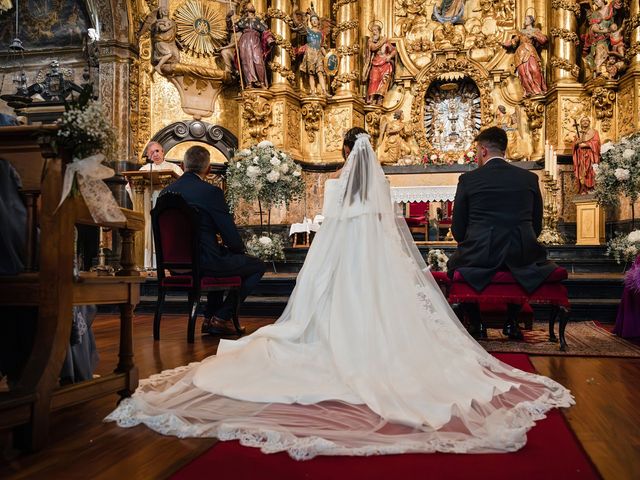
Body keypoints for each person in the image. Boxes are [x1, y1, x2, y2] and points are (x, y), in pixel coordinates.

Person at [106, 130, 573, 459]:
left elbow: (335, 235)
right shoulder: (520, 179)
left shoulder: (341, 188)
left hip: (428, 255)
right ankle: (503, 319)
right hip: (522, 257)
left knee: (316, 313)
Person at [447, 127, 556, 339]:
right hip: (521, 253)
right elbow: (536, 225)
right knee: (523, 264)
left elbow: (458, 229)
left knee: (455, 266)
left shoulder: (468, 180)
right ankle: (512, 322)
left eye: (477, 151)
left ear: (483, 150)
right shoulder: (529, 178)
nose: (477, 156)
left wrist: (471, 242)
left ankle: (477, 324)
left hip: (480, 255)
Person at [159, 145, 265, 335]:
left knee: (220, 256)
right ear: (208, 169)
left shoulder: (164, 194)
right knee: (256, 266)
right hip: (206, 262)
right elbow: (231, 238)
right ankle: (221, 317)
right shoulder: (211, 193)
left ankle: (209, 318)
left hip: (174, 267)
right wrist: (238, 249)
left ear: (183, 166)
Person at [130, 141, 183, 269]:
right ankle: (147, 263)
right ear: (148, 156)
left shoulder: (174, 168)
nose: (155, 154)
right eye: (152, 152)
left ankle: (167, 263)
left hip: (167, 206)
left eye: (157, 151)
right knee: (148, 229)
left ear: (163, 152)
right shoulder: (144, 170)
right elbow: (131, 185)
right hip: (148, 203)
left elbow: (182, 186)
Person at [503, 15, 547, 97]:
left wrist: (534, 35)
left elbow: (543, 40)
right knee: (523, 73)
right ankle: (528, 91)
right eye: (525, 19)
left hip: (530, 50)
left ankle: (538, 90)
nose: (525, 20)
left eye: (526, 19)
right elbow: (514, 41)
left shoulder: (535, 31)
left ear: (531, 21)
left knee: (534, 69)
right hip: (520, 52)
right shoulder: (520, 32)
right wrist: (506, 43)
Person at [235, 3, 274, 88]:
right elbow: (233, 28)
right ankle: (249, 82)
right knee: (245, 61)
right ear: (246, 9)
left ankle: (262, 82)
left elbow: (265, 31)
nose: (252, 6)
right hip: (244, 40)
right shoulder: (242, 20)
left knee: (258, 60)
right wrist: (228, 18)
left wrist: (269, 39)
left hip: (255, 39)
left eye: (253, 5)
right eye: (250, 5)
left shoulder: (258, 20)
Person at [362, 21, 396, 105]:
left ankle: (380, 98)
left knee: (384, 80)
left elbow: (394, 50)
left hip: (385, 63)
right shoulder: (371, 41)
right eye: (373, 31)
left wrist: (389, 56)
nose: (374, 32)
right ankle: (371, 98)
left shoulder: (386, 42)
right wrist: (383, 40)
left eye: (376, 30)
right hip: (375, 63)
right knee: (373, 80)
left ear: (379, 31)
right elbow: (373, 48)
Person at [572, 117, 601, 195]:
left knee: (590, 171)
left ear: (589, 122)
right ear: (580, 123)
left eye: (587, 121)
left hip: (591, 155)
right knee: (582, 172)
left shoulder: (594, 132)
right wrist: (576, 143)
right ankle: (583, 188)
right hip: (581, 156)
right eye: (583, 121)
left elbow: (597, 143)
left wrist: (586, 144)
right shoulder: (578, 134)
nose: (585, 122)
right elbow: (574, 146)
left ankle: (591, 188)